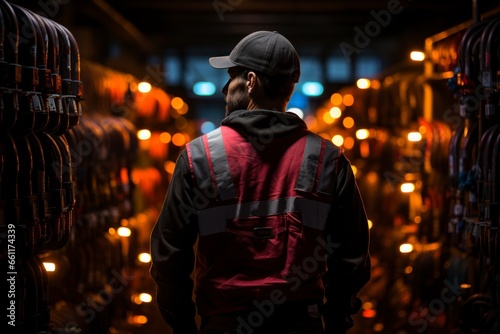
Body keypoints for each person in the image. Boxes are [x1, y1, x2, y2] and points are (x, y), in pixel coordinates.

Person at [150, 30, 371, 334]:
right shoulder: (327, 159)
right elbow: (352, 255)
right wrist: (335, 321)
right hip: (301, 323)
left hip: (223, 324)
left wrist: (184, 323)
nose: (226, 87)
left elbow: (169, 254)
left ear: (251, 82)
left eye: (233, 76)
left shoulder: (198, 157)